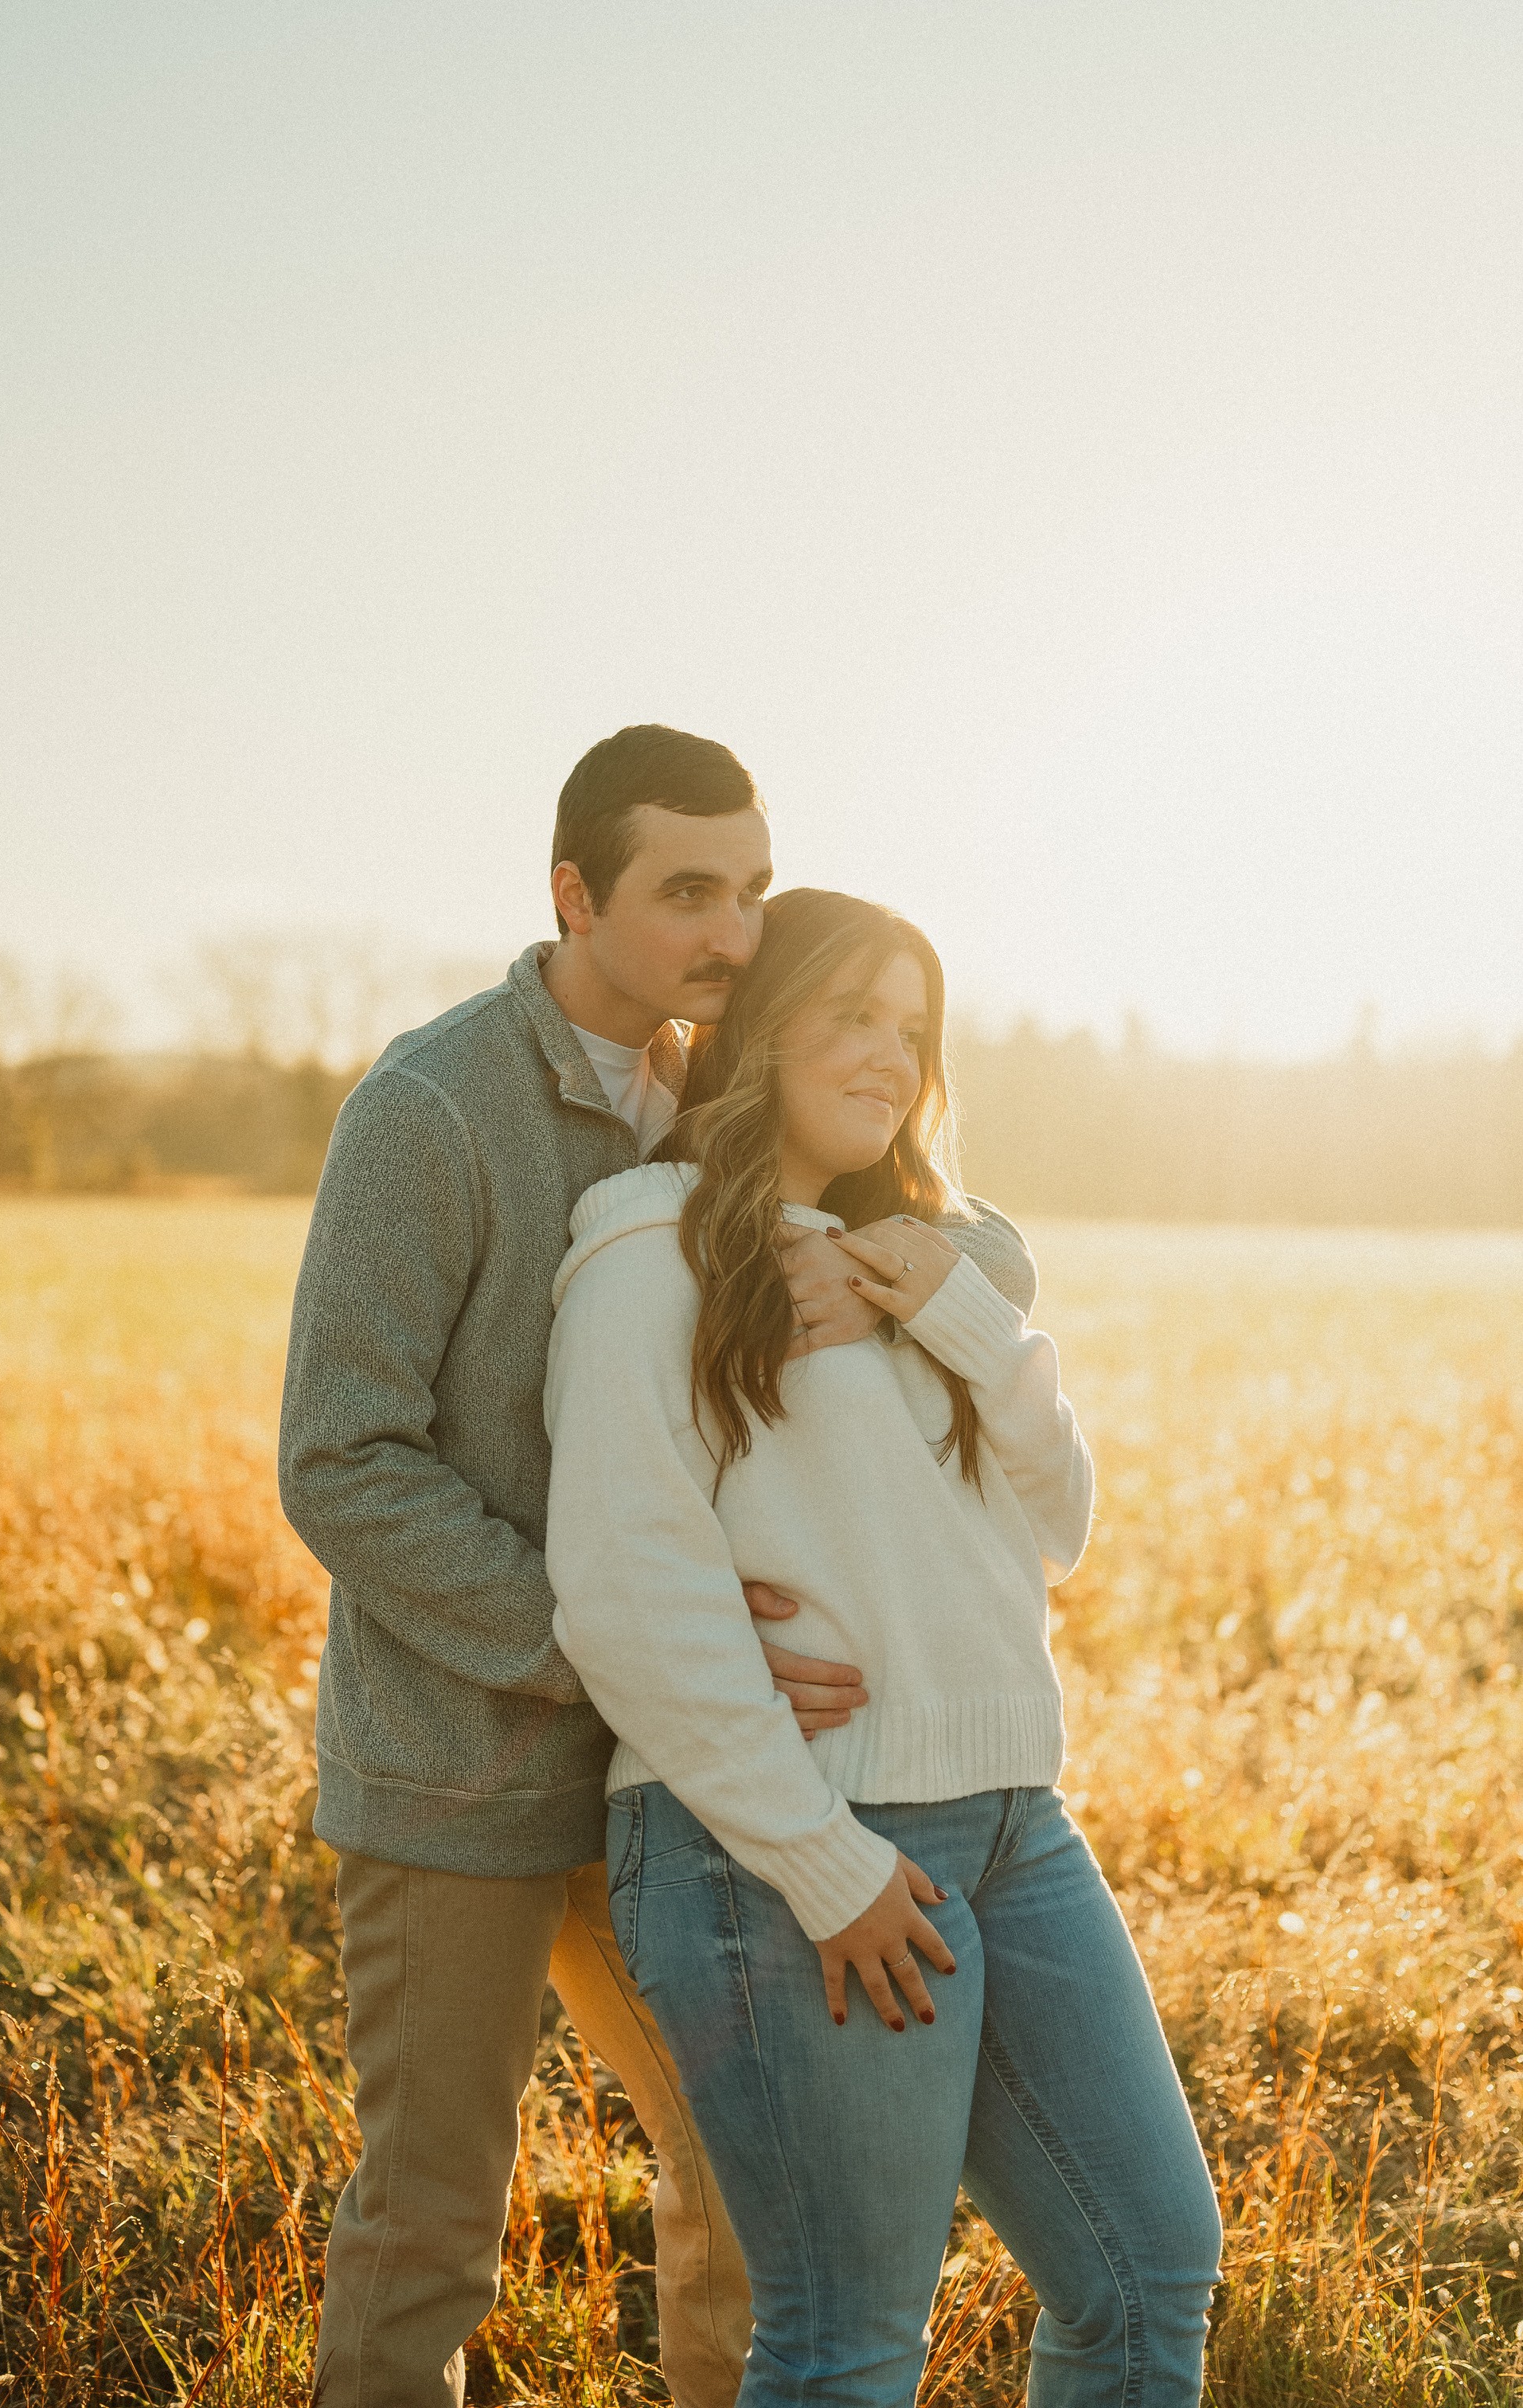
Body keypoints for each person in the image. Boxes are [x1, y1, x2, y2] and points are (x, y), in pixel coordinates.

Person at [279, 729, 1042, 2408]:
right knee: (433, 2227)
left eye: (753, 890)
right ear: (574, 895)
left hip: (687, 1776)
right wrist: (613, 1641)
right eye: (689, 893)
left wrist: (909, 1258)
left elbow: (966, 1215)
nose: (736, 933)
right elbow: (340, 1460)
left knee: (744, 2199)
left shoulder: (723, 1081)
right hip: (467, 1765)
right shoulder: (432, 1106)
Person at [545, 887, 1224, 2408]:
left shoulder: (916, 1266)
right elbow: (625, 1591)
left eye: (911, 1030)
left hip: (1015, 1825)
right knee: (847, 2342)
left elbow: (1063, 1521)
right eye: (850, 1017)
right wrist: (822, 1860)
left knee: (1149, 2268)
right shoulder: (651, 1254)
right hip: (795, 1848)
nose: (888, 1058)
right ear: (757, 1028)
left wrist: (960, 1314)